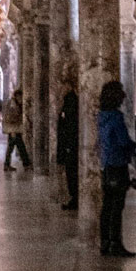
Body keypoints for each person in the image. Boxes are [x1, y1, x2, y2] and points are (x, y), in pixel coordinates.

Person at [97, 78, 136, 257]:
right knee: (116, 206)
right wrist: (132, 146)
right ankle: (115, 243)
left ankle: (105, 242)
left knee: (107, 206)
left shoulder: (102, 116)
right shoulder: (116, 117)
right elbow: (122, 141)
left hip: (106, 165)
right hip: (118, 165)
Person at [55, 81, 80, 210]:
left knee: (72, 172)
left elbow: (70, 125)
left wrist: (68, 146)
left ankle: (75, 198)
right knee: (70, 172)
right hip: (68, 144)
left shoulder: (71, 101)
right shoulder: (67, 101)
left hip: (70, 144)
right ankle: (73, 197)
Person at [2, 87, 31, 172]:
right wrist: (12, 131)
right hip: (13, 129)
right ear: (17, 96)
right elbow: (11, 118)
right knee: (19, 147)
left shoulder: (15, 104)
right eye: (20, 97)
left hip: (15, 129)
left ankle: (7, 165)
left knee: (14, 147)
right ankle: (26, 165)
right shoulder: (13, 105)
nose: (21, 99)